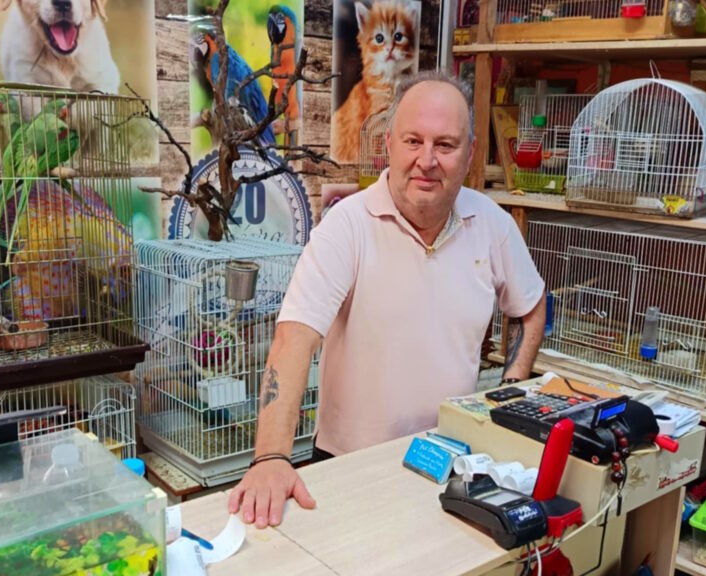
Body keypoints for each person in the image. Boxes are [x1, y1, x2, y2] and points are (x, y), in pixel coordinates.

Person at [228, 70, 546, 527]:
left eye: (445, 145)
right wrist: (271, 457)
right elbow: (295, 338)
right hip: (350, 465)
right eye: (414, 141)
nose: (427, 160)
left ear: (471, 153)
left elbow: (531, 306)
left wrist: (509, 391)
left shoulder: (492, 223)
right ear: (390, 144)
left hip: (452, 461)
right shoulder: (346, 226)